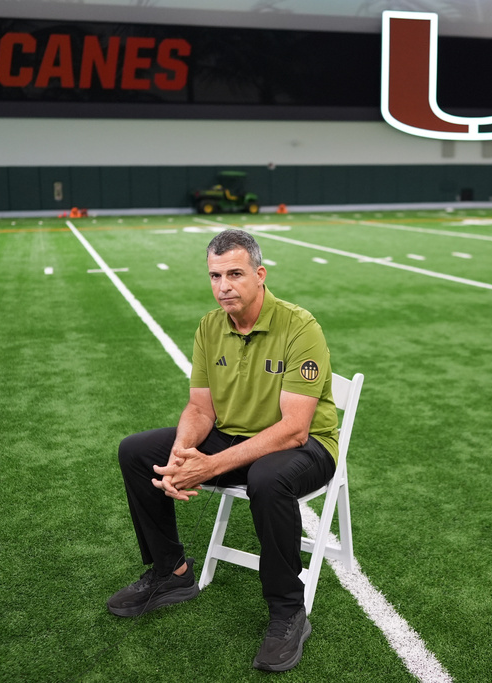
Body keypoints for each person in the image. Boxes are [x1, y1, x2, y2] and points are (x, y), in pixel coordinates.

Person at [107, 229, 339, 672]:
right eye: (215, 276)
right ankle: (170, 572)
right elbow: (199, 408)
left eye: (234, 274)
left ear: (260, 274)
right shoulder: (210, 326)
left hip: (307, 447)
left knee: (267, 478)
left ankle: (288, 611)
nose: (223, 286)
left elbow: (294, 430)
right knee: (136, 451)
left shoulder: (299, 327)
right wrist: (180, 456)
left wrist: (209, 465)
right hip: (233, 436)